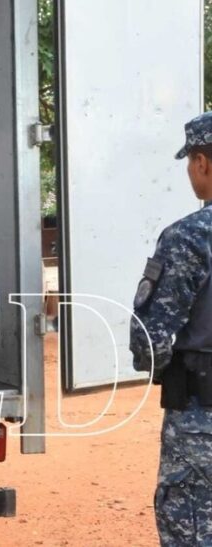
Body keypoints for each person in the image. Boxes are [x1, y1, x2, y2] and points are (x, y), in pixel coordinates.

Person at [129, 112, 212, 546]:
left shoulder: (190, 237)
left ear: (202, 162)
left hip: (202, 418)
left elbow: (150, 340)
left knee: (193, 527)